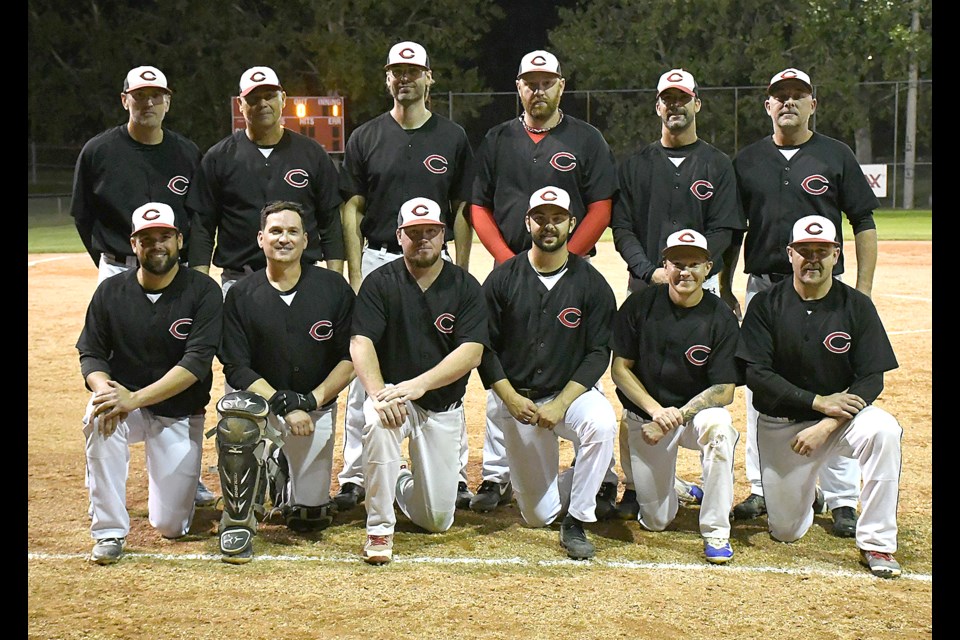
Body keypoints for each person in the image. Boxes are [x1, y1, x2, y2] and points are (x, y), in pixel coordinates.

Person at [723, 68, 881, 538]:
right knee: (759, 387)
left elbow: (863, 222)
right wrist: (729, 282)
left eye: (798, 95)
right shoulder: (748, 160)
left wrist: (864, 292)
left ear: (813, 104)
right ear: (767, 106)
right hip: (764, 288)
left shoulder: (835, 154)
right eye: (779, 96)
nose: (788, 102)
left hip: (826, 288)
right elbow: (735, 231)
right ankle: (760, 484)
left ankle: (842, 496)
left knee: (836, 379)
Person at [469, 50, 619, 514]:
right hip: (510, 266)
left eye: (546, 81)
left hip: (566, 268)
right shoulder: (497, 139)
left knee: (573, 356)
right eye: (529, 82)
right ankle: (496, 476)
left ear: (561, 85)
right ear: (518, 86)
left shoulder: (586, 138)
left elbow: (600, 206)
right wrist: (509, 260)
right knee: (506, 369)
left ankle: (601, 473)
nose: (538, 89)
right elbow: (479, 206)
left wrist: (565, 260)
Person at [336, 41, 476, 513]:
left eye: (414, 70)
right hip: (379, 257)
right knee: (366, 373)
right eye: (397, 70)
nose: (405, 78)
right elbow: (352, 207)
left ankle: (452, 474)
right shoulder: (366, 136)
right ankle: (357, 473)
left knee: (445, 364)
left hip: (438, 262)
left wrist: (461, 263)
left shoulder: (452, 136)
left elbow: (461, 209)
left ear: (429, 78)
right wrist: (357, 272)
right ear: (387, 78)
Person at [69, 65, 213, 507]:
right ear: (124, 99)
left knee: (177, 350)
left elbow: (201, 217)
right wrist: (110, 262)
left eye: (157, 95)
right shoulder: (99, 151)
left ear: (168, 100)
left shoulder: (186, 152)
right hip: (119, 267)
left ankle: (183, 469)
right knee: (115, 357)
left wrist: (198, 270)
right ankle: (119, 442)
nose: (148, 102)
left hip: (177, 271)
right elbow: (82, 213)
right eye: (140, 95)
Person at [610, 68, 746, 519]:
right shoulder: (635, 165)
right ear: (657, 107)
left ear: (696, 104)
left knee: (699, 379)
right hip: (645, 286)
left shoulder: (717, 164)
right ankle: (634, 486)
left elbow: (725, 227)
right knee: (635, 389)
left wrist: (703, 273)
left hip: (697, 285)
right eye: (667, 99)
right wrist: (649, 273)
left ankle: (707, 483)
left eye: (682, 98)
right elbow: (623, 227)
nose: (674, 106)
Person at [735, 215, 902, 579]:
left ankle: (878, 542)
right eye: (805, 251)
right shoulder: (765, 305)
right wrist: (816, 402)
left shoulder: (856, 306)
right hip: (783, 427)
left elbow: (872, 378)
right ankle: (809, 495)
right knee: (786, 532)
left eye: (822, 251)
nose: (813, 259)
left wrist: (826, 422)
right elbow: (756, 375)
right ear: (790, 254)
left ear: (836, 255)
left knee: (884, 430)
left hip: (840, 423)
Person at [76, 202, 223, 564]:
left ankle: (175, 498)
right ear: (133, 244)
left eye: (164, 237)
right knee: (98, 413)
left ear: (179, 240)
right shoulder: (111, 291)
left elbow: (195, 364)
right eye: (147, 239)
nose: (156, 245)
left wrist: (133, 398)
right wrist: (105, 391)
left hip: (177, 411)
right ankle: (109, 531)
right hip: (126, 406)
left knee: (170, 526)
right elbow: (91, 355)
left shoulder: (203, 291)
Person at [477, 186, 617, 560]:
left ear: (572, 223)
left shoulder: (591, 283)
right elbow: (484, 348)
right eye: (540, 217)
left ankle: (579, 519)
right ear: (528, 222)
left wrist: (562, 403)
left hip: (569, 396)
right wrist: (509, 396)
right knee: (538, 516)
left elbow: (598, 352)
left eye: (557, 218)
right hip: (519, 399)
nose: (548, 225)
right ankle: (587, 481)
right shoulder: (503, 279)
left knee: (601, 424)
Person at [215, 201, 356, 563]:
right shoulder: (241, 295)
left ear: (306, 240)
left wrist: (308, 401)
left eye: (293, 231)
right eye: (275, 231)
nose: (284, 238)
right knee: (234, 424)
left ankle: (279, 473)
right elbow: (236, 367)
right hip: (261, 409)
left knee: (309, 518)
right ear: (261, 239)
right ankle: (238, 521)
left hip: (314, 409)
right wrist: (283, 402)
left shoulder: (333, 288)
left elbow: (351, 356)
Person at [351, 197, 488, 565]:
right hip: (395, 397)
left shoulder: (464, 286)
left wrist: (421, 384)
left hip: (439, 403)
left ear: (444, 235)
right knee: (378, 420)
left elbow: (472, 352)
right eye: (414, 233)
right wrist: (379, 394)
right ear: (399, 236)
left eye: (431, 231)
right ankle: (379, 528)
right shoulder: (380, 282)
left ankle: (396, 481)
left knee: (437, 520)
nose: (422, 239)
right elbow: (360, 341)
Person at [610, 229, 741, 564]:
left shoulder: (721, 316)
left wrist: (678, 416)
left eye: (694, 263)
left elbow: (725, 390)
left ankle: (716, 530)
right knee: (655, 521)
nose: (686, 271)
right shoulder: (639, 304)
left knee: (721, 428)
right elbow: (620, 370)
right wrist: (656, 412)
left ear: (709, 268)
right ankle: (677, 488)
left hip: (693, 418)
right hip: (649, 418)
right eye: (677, 263)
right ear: (664, 267)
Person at [187, 65, 344, 297]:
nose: (262, 104)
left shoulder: (312, 153)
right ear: (240, 104)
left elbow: (330, 223)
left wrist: (336, 281)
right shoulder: (218, 157)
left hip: (304, 278)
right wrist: (200, 290)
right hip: (240, 280)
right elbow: (202, 229)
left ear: (283, 99)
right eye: (253, 98)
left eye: (269, 96)